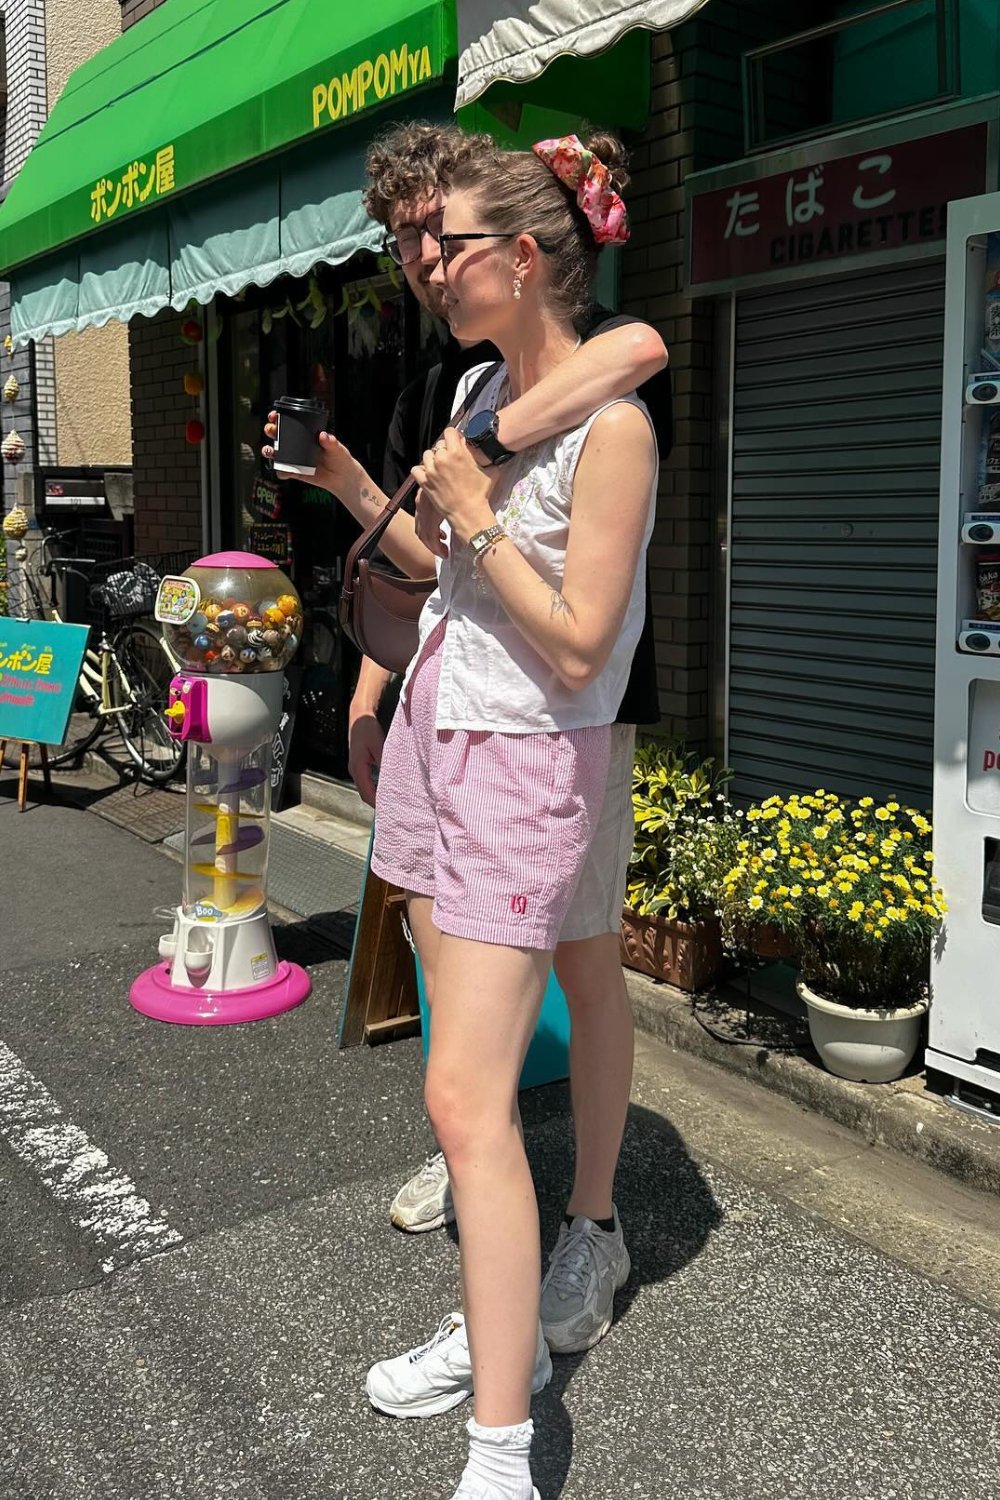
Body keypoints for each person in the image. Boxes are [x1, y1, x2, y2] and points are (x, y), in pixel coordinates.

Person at [357, 129, 657, 1500]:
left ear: (522, 255)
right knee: (474, 1072)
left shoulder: (617, 428)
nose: (426, 267)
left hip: (532, 757)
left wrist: (475, 515)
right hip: (441, 728)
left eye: (448, 243)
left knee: (465, 1096)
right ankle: (503, 1331)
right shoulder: (483, 385)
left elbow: (585, 646)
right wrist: (377, 501)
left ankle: (502, 1440)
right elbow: (446, 572)